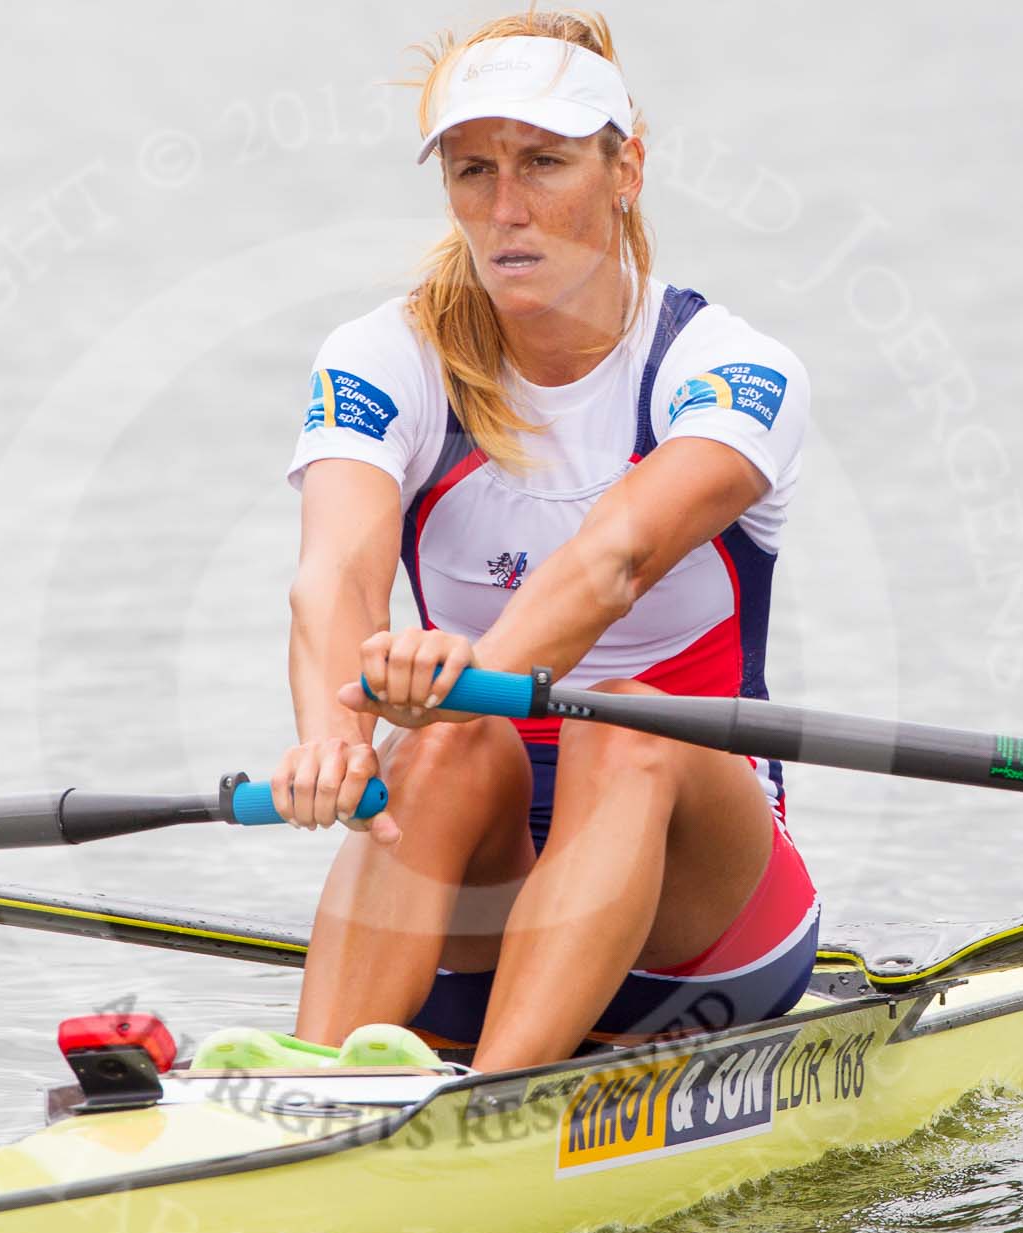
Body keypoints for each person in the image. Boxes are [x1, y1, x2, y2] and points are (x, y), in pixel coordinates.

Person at [257, 10, 821, 1073]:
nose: (505, 210)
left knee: (631, 724)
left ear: (625, 169)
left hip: (699, 930)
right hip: (486, 887)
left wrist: (465, 678)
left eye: (542, 164)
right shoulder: (387, 356)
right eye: (472, 171)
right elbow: (333, 571)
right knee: (448, 745)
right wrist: (333, 740)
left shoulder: (728, 368)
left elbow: (615, 559)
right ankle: (307, 1091)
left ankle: (499, 1104)